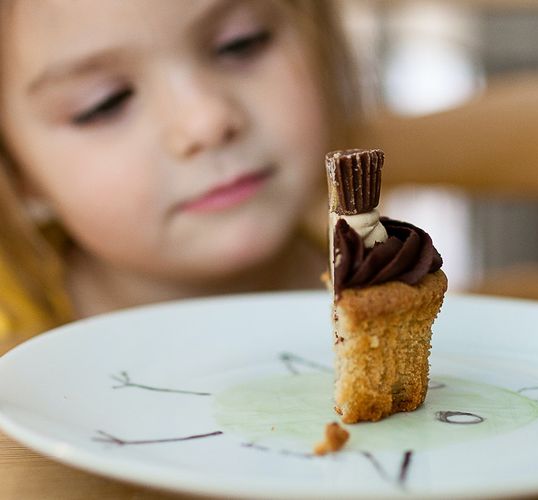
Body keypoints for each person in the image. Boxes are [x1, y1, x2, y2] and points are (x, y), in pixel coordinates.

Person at [0, 0, 361, 341]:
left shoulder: (392, 287)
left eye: (239, 43)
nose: (206, 122)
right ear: (16, 169)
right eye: (105, 102)